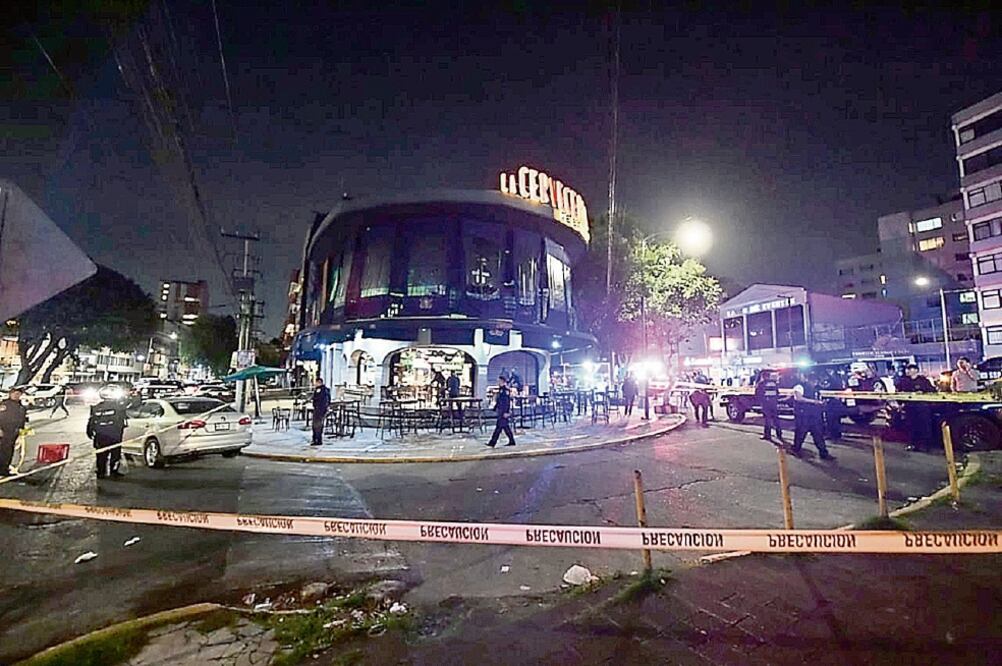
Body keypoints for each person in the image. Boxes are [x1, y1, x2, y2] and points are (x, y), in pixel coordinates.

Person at [789, 373, 834, 460]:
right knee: (800, 433)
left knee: (818, 434)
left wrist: (821, 403)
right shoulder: (799, 386)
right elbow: (798, 398)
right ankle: (796, 449)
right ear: (809, 380)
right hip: (803, 414)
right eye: (814, 381)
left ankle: (823, 453)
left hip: (814, 415)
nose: (815, 383)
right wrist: (813, 401)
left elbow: (818, 399)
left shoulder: (816, 389)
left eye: (816, 381)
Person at [896, 363, 936, 451]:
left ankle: (926, 445)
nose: (908, 371)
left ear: (915, 371)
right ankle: (912, 444)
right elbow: (898, 393)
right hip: (910, 407)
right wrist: (901, 403)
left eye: (910, 369)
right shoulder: (903, 381)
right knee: (911, 427)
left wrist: (922, 392)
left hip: (923, 407)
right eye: (907, 369)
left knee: (925, 427)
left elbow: (932, 391)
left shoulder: (923, 380)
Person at [86, 395, 127, 478]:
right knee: (115, 454)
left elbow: (92, 420)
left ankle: (101, 472)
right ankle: (113, 471)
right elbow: (122, 421)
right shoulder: (118, 407)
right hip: (114, 435)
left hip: (100, 435)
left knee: (101, 455)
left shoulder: (96, 407)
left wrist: (90, 432)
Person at [0, 388, 28, 477]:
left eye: (18, 394)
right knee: (3, 451)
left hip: (14, 432)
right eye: (15, 393)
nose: (16, 395)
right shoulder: (4, 404)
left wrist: (22, 430)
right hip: (4, 431)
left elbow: (22, 418)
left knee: (9, 451)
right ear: (10, 394)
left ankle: (4, 469)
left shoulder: (20, 405)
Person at [486, 375, 516, 448]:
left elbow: (507, 402)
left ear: (502, 381)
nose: (498, 382)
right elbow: (499, 401)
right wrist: (495, 408)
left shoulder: (505, 390)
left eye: (499, 381)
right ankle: (511, 441)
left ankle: (492, 442)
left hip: (503, 412)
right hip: (501, 411)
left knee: (499, 428)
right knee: (505, 427)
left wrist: (506, 412)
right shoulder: (501, 389)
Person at [755, 370, 782, 442]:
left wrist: (761, 402)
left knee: (767, 420)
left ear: (763, 376)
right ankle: (779, 434)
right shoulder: (774, 383)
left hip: (766, 404)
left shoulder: (761, 383)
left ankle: (767, 435)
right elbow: (777, 393)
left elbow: (758, 394)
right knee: (776, 419)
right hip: (774, 403)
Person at [311, 377, 331, 447]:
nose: (315, 384)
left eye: (316, 383)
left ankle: (317, 439)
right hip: (321, 409)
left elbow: (318, 399)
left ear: (319, 382)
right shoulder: (326, 390)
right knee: (317, 425)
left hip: (319, 409)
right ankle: (317, 438)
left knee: (317, 425)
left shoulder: (320, 390)